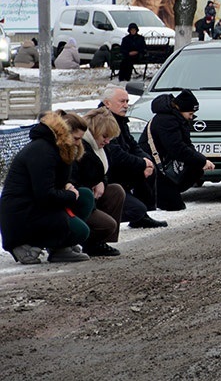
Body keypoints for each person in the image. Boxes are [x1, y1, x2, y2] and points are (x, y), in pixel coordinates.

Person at [0, 111, 95, 264]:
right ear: (64, 134)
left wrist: (68, 186)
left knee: (85, 196)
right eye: (76, 139)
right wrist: (70, 195)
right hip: (23, 214)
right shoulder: (42, 151)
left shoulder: (56, 148)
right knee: (81, 231)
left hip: (38, 207)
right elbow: (45, 195)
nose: (78, 143)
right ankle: (26, 245)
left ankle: (60, 246)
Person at [99, 85, 165, 229]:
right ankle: (109, 216)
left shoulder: (120, 120)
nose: (126, 105)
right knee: (136, 209)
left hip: (122, 169)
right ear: (107, 103)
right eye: (121, 101)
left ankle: (143, 216)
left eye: (127, 101)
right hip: (109, 175)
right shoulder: (101, 122)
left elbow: (133, 145)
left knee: (149, 167)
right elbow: (115, 154)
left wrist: (146, 161)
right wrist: (141, 163)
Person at [139, 89, 215, 211]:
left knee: (196, 168)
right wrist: (201, 160)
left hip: (163, 165)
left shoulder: (177, 119)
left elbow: (186, 145)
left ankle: (170, 192)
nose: (191, 117)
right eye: (190, 114)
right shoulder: (167, 120)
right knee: (174, 206)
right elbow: (177, 148)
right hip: (154, 168)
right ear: (180, 108)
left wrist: (200, 160)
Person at [73, 108, 127, 257]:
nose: (107, 141)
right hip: (80, 199)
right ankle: (90, 240)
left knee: (116, 191)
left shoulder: (99, 148)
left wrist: (101, 181)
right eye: (105, 136)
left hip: (91, 196)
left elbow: (101, 173)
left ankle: (100, 241)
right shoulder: (81, 148)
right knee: (108, 224)